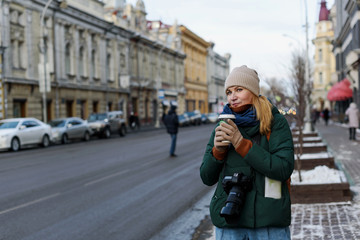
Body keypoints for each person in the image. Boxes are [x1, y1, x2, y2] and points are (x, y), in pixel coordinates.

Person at [200, 65, 294, 240]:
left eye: (239, 89)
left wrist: (241, 144)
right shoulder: (223, 124)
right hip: (229, 221)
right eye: (229, 92)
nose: (233, 96)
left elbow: (283, 168)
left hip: (269, 221)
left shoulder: (275, 123)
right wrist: (218, 152)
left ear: (253, 91)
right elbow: (206, 177)